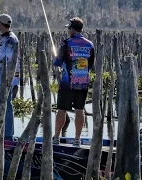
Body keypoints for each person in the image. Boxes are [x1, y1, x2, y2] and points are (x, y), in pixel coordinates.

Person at [52, 17, 95, 147]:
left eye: (68, 28)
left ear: (72, 29)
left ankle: (56, 138)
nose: (68, 30)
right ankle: (77, 140)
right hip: (82, 81)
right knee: (79, 109)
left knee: (62, 109)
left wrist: (55, 57)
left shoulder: (67, 43)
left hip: (67, 82)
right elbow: (91, 65)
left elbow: (57, 63)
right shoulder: (90, 44)